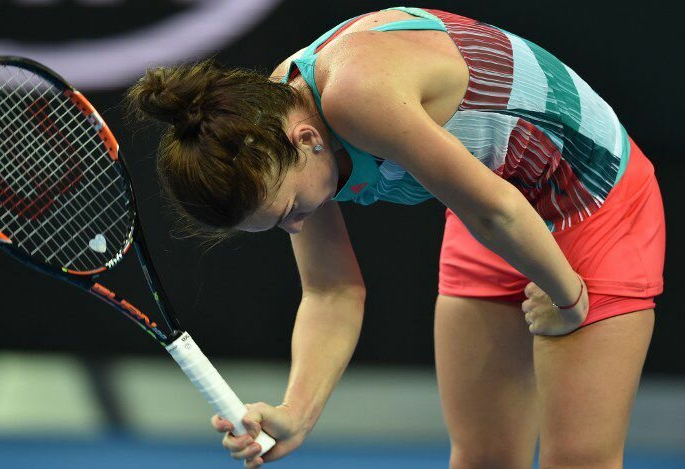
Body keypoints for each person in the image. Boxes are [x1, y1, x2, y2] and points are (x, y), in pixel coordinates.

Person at [126, 6, 665, 468]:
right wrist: (296, 413)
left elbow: (498, 212)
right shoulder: (270, 131)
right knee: (483, 458)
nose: (297, 225)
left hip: (590, 199)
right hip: (489, 204)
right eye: (278, 224)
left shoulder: (357, 94)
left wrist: (568, 299)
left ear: (307, 139)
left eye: (290, 209)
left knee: (578, 461)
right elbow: (331, 291)